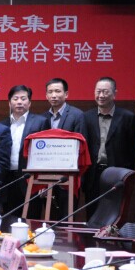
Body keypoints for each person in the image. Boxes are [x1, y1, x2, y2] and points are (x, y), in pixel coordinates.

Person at [82, 77, 135, 218]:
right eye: (98, 91)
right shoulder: (86, 117)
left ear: (114, 93)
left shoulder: (128, 117)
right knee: (92, 215)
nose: (101, 95)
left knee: (116, 215)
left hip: (117, 175)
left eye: (105, 92)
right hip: (93, 175)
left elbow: (133, 149)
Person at [1, 85, 50, 224]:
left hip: (30, 180)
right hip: (8, 180)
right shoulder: (3, 124)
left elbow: (46, 155)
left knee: (31, 221)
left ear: (29, 103)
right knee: (9, 221)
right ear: (9, 103)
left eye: (23, 99)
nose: (19, 102)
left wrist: (43, 182)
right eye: (15, 99)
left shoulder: (40, 122)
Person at [42, 78, 85, 219]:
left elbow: (81, 147)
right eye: (50, 92)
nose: (54, 95)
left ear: (66, 94)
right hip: (47, 176)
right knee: (50, 218)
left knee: (67, 218)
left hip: (68, 176)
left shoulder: (77, 115)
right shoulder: (43, 117)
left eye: (57, 91)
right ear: (46, 95)